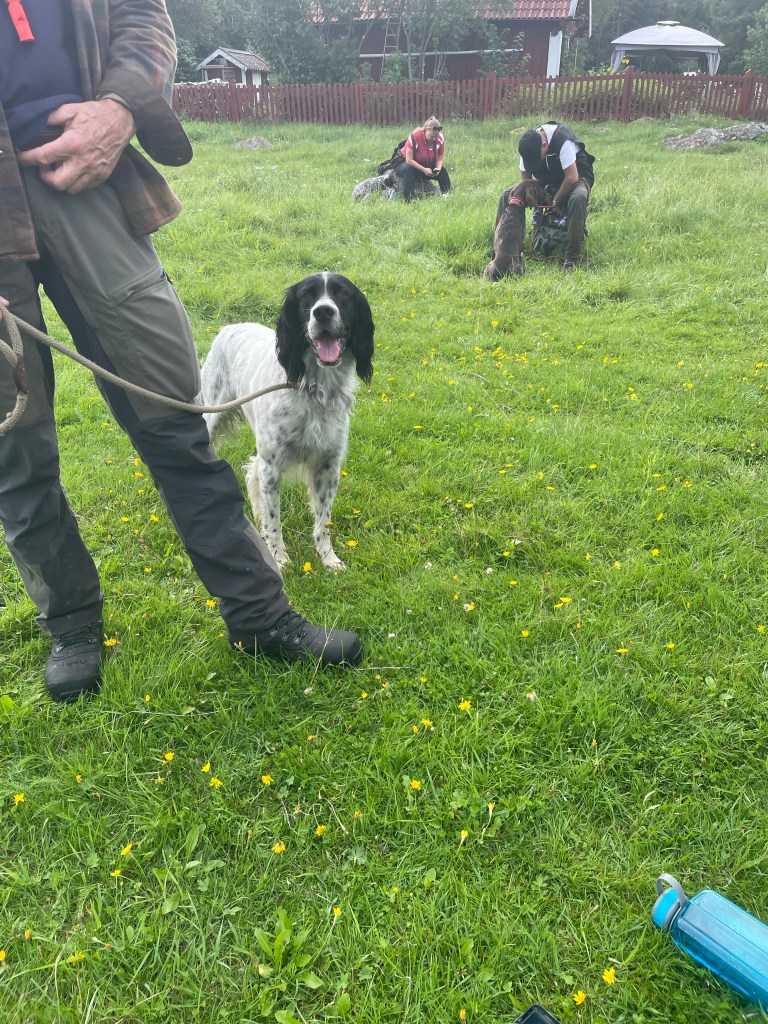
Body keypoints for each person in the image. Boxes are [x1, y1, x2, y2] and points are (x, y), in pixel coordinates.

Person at [0, 0, 363, 704]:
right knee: (13, 443)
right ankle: (70, 622)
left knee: (177, 416)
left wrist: (121, 108)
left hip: (79, 166)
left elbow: (141, 12)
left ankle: (259, 615)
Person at [516, 121, 595, 272]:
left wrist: (554, 200)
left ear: (544, 145)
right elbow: (526, 182)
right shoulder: (528, 146)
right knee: (508, 195)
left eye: (536, 161)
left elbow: (571, 177)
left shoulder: (562, 140)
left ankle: (571, 259)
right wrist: (532, 197)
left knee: (578, 197)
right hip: (547, 180)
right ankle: (505, 250)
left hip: (576, 176)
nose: (534, 164)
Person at [394, 117, 452, 202]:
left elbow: (440, 157)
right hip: (404, 163)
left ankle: (446, 196)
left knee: (443, 172)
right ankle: (408, 200)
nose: (434, 139)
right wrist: (424, 169)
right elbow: (408, 160)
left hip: (424, 165)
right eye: (432, 136)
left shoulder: (440, 138)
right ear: (426, 130)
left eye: (436, 136)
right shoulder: (415, 136)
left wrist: (438, 168)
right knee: (408, 169)